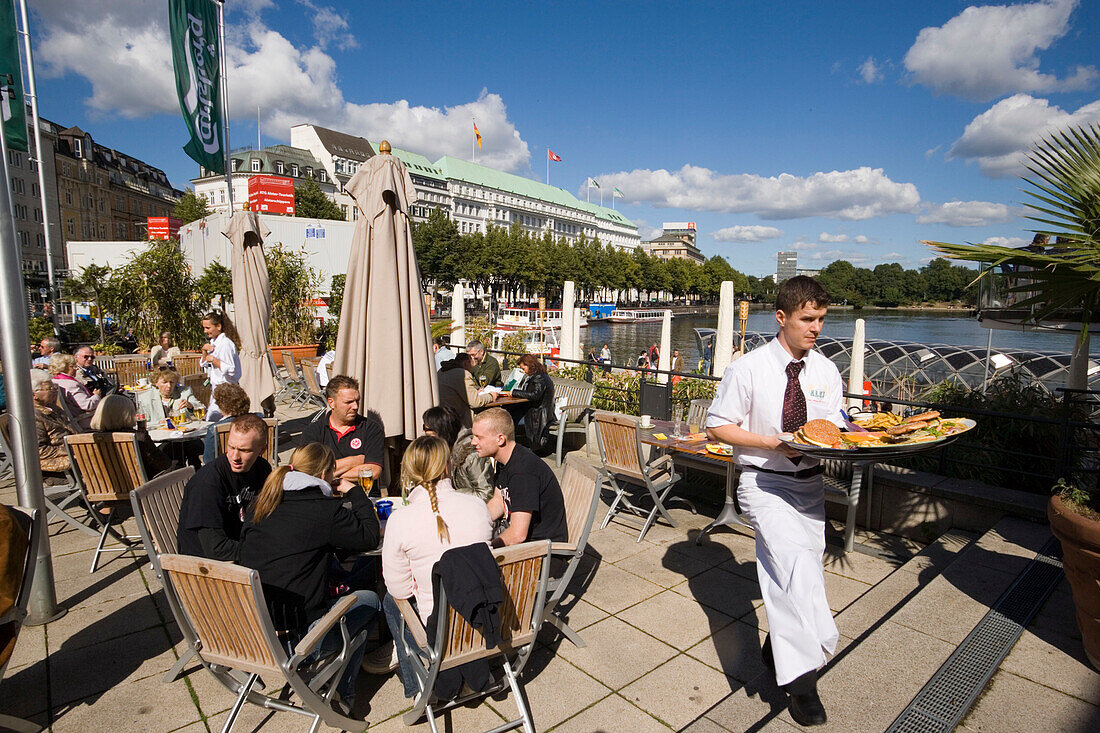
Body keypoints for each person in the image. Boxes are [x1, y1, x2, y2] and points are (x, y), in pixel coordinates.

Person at [704, 275, 843, 727]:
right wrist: (770, 443)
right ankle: (802, 685)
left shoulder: (826, 371)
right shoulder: (748, 368)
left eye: (821, 319)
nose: (816, 328)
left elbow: (835, 427)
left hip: (810, 486)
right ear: (781, 317)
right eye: (807, 319)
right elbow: (718, 426)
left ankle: (773, 649)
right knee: (794, 569)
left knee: (799, 571)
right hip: (763, 483)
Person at [238, 442, 381, 714]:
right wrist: (355, 492)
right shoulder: (323, 508)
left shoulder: (263, 501)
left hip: (255, 631)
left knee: (360, 568)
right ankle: (340, 692)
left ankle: (332, 673)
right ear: (326, 473)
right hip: (296, 640)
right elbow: (369, 536)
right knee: (371, 601)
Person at [380, 436, 493, 698]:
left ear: (408, 471)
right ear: (447, 467)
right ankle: (471, 670)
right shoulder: (477, 506)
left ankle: (419, 687)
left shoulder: (401, 520)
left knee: (391, 601)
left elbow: (400, 589)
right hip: (482, 615)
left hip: (439, 625)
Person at [177, 414, 272, 561]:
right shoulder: (208, 484)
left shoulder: (262, 469)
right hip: (207, 567)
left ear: (262, 449)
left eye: (244, 450)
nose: (235, 456)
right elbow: (216, 549)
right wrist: (266, 550)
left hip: (240, 547)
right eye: (231, 447)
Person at [470, 408, 567, 546]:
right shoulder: (505, 460)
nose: (473, 442)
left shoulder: (523, 472)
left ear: (500, 439)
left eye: (479, 437)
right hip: (526, 544)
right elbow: (499, 501)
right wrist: (474, 523)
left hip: (540, 552)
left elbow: (517, 535)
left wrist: (487, 550)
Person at [301, 375, 385, 492]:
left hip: (363, 495)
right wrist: (356, 460)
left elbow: (374, 471)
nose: (355, 406)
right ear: (331, 403)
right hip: (326, 499)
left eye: (357, 401)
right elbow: (310, 471)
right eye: (349, 402)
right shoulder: (313, 432)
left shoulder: (371, 428)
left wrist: (328, 476)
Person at [89, 394, 174, 478]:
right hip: (142, 487)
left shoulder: (91, 440)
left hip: (105, 487)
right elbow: (164, 464)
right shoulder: (138, 437)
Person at [423, 405, 494, 502]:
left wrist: (451, 494)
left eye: (426, 428)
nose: (423, 431)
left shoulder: (471, 454)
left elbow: (486, 494)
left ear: (440, 430)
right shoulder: (446, 449)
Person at [499, 354, 555, 451]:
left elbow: (534, 395)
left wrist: (513, 393)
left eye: (523, 368)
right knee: (507, 413)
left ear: (530, 365)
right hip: (534, 410)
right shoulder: (537, 375)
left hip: (537, 414)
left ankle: (509, 446)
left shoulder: (539, 378)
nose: (523, 371)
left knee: (509, 418)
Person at [200, 312, 241, 422]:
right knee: (212, 420)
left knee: (215, 421)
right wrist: (204, 351)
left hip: (226, 390)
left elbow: (231, 369)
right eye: (204, 328)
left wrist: (214, 359)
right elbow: (204, 363)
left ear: (218, 326)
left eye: (208, 328)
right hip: (216, 389)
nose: (205, 331)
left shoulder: (225, 344)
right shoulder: (213, 342)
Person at [30, 370, 72, 473]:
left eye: (54, 387)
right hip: (56, 460)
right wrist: (71, 450)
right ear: (34, 394)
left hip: (73, 448)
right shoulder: (33, 416)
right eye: (50, 388)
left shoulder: (53, 408)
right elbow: (39, 450)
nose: (55, 391)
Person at [437, 353, 493, 430]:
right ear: (466, 363)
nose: (471, 370)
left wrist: (475, 390)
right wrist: (491, 396)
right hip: (458, 420)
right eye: (471, 367)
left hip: (441, 415)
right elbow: (475, 402)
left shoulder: (441, 371)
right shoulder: (462, 374)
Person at [201, 383, 254, 464]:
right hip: (256, 467)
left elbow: (208, 460)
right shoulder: (260, 420)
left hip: (225, 471)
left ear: (220, 405)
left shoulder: (214, 429)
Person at [48, 353, 100, 430]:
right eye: (73, 366)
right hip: (85, 420)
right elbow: (88, 405)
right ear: (64, 367)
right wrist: (97, 395)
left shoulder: (54, 381)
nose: (76, 368)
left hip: (73, 420)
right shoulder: (70, 384)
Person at [137, 368, 204, 423]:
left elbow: (201, 408)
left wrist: (190, 406)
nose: (169, 386)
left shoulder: (185, 392)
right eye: (164, 382)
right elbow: (141, 423)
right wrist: (159, 423)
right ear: (156, 383)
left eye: (172, 382)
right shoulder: (145, 398)